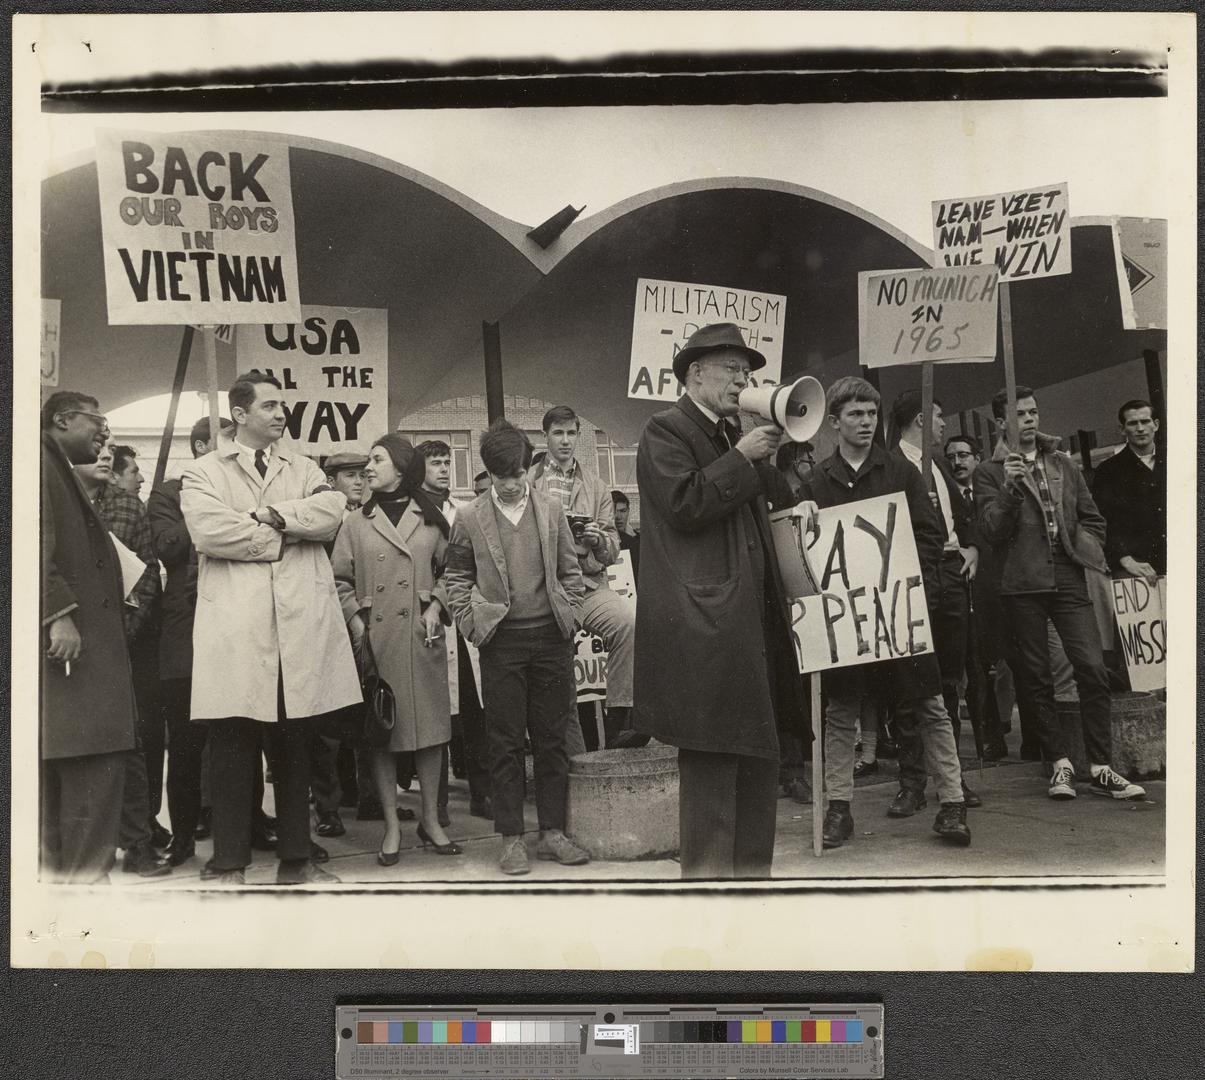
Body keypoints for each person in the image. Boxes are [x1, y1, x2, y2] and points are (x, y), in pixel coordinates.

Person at [631, 322, 806, 879]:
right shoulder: (665, 430)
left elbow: (763, 504)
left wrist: (777, 478)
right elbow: (685, 503)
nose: (742, 380)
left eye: (746, 371)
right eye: (732, 369)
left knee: (758, 756)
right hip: (705, 625)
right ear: (694, 374)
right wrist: (744, 456)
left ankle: (752, 887)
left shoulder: (732, 435)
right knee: (711, 761)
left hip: (745, 624)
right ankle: (707, 898)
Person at [181, 371, 363, 885]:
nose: (282, 413)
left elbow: (330, 513)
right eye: (270, 406)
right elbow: (208, 530)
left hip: (296, 628)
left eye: (283, 406)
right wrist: (282, 537)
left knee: (293, 746)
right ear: (240, 415)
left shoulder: (304, 467)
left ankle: (297, 860)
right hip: (238, 631)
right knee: (234, 748)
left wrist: (269, 516)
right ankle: (229, 862)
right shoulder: (203, 472)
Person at [800, 377, 971, 849]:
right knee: (840, 712)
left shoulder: (900, 472)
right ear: (833, 421)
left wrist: (921, 598)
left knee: (930, 705)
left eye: (871, 415)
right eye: (855, 415)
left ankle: (952, 802)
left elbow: (929, 536)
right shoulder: (815, 483)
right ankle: (838, 809)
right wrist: (803, 516)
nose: (866, 422)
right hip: (848, 623)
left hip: (900, 614)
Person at [974, 386, 1145, 801]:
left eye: (1033, 412)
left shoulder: (1062, 463)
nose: (1030, 419)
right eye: (1019, 414)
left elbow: (1092, 517)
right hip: (1022, 584)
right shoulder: (990, 472)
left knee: (1091, 667)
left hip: (1067, 575)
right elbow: (991, 530)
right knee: (1036, 678)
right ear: (1002, 423)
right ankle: (1060, 764)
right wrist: (1011, 487)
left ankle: (1102, 766)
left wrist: (1083, 547)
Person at [444, 419, 589, 875]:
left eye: (518, 474)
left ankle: (553, 833)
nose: (511, 484)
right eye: (502, 476)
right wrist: (473, 625)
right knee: (504, 742)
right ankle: (511, 839)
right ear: (488, 474)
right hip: (501, 641)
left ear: (529, 468)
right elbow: (457, 577)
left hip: (550, 639)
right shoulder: (469, 517)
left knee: (551, 739)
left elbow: (570, 570)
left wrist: (570, 612)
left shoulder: (550, 510)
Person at [331, 434, 462, 864]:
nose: (368, 468)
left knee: (429, 735)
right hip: (378, 642)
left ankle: (430, 820)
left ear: (401, 468)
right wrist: (356, 621)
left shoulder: (432, 519)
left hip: (421, 639)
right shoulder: (354, 522)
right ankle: (391, 827)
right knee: (381, 734)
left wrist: (437, 605)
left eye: (377, 460)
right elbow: (338, 580)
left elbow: (457, 571)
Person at [40, 392, 138, 882]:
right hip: (76, 663)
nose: (104, 433)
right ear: (62, 420)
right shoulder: (41, 464)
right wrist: (57, 613)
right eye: (96, 422)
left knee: (81, 779)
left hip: (84, 663)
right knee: (90, 774)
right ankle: (83, 897)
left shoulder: (53, 466)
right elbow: (31, 542)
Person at [148, 416, 245, 867]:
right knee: (185, 745)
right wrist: (210, 512)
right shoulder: (170, 492)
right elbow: (168, 545)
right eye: (228, 440)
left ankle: (246, 826)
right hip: (185, 634)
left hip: (237, 626)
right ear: (205, 445)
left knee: (245, 737)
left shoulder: (246, 486)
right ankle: (183, 836)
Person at [74, 443, 171, 876]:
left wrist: (122, 633)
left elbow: (147, 574)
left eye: (108, 445)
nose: (103, 453)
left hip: (120, 642)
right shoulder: (49, 500)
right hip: (64, 643)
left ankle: (137, 842)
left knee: (130, 742)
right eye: (94, 444)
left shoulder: (128, 508)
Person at [888, 390, 982, 810]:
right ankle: (912, 782)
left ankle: (952, 776)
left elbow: (963, 518)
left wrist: (972, 548)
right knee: (911, 682)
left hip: (951, 574)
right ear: (922, 419)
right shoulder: (890, 466)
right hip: (914, 574)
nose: (945, 425)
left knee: (949, 679)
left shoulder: (942, 467)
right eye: (939, 417)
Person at [530, 405, 636, 750]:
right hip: (544, 590)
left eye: (571, 433)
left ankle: (620, 718)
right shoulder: (529, 482)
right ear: (545, 436)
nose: (565, 441)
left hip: (588, 585)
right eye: (557, 433)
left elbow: (613, 548)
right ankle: (569, 747)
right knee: (554, 663)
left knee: (627, 623)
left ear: (578, 435)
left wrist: (597, 539)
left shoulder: (596, 485)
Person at [417, 439, 493, 823]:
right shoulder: (414, 510)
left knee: (474, 711)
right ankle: (438, 803)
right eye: (435, 463)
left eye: (447, 462)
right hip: (431, 618)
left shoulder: (462, 509)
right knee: (436, 715)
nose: (444, 469)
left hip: (463, 619)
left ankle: (483, 794)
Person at [944, 434, 1010, 761]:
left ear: (977, 458)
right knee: (975, 666)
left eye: (963, 455)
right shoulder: (945, 498)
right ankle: (990, 737)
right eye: (951, 457)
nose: (957, 462)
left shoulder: (987, 492)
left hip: (994, 587)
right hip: (965, 587)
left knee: (1001, 663)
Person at [1089, 399, 1165, 584]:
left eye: (1145, 421)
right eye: (1132, 423)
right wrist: (1125, 560)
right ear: (1122, 429)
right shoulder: (1108, 471)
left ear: (1155, 425)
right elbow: (1102, 520)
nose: (1140, 428)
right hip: (1134, 567)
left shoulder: (1182, 458)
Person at [611, 489, 640, 580]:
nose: (618, 517)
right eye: (614, 512)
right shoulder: (607, 540)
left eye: (623, 511)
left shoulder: (637, 537)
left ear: (628, 511)